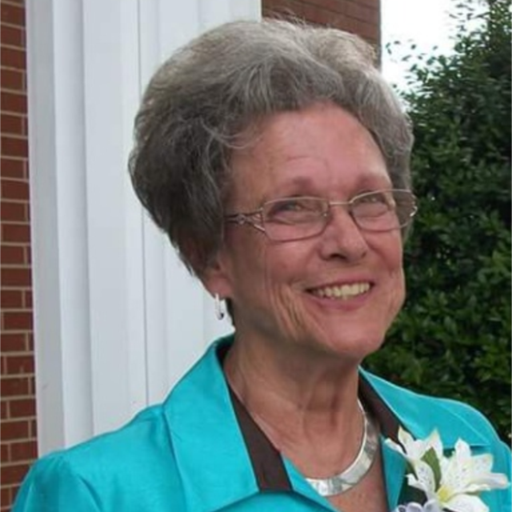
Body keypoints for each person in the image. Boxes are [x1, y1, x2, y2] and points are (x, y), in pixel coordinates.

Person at [13, 19, 511, 512]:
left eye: (371, 199)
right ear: (207, 254)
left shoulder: (467, 444)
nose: (349, 241)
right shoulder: (99, 494)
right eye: (292, 207)